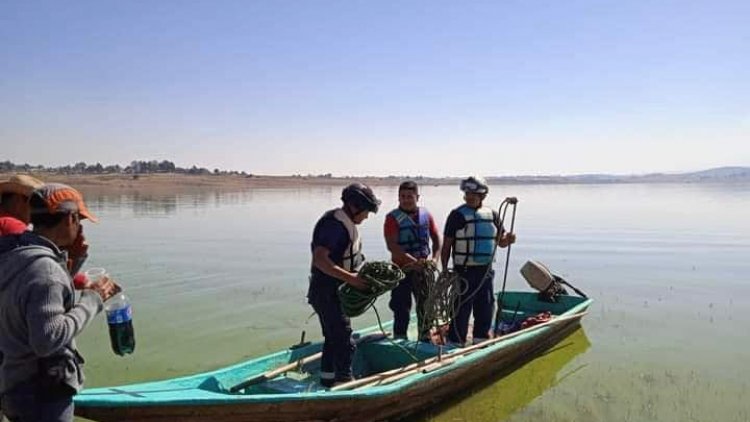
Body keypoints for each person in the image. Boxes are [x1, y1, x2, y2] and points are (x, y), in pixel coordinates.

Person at [0, 183, 117, 422]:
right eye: (79, 220)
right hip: (42, 393)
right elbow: (47, 338)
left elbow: (45, 293)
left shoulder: (17, 253)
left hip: (14, 385)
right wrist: (92, 301)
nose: (81, 227)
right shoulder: (46, 271)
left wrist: (75, 258)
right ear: (69, 219)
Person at [308, 183, 380, 388]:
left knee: (332, 338)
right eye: (366, 211)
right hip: (327, 291)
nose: (366, 217)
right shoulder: (335, 226)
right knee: (343, 340)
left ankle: (327, 382)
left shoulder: (345, 223)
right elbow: (321, 259)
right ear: (354, 206)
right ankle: (346, 383)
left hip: (334, 290)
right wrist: (353, 280)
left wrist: (356, 276)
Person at [440, 176, 516, 346]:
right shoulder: (456, 215)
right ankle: (455, 341)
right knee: (461, 307)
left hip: (486, 271)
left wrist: (509, 239)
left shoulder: (493, 215)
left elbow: (501, 242)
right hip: (464, 271)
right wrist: (445, 270)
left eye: (473, 193)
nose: (469, 196)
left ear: (482, 195)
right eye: (467, 193)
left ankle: (481, 339)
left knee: (486, 305)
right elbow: (446, 246)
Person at [383, 181, 441, 341]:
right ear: (398, 198)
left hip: (424, 271)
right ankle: (400, 338)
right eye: (402, 196)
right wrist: (412, 262)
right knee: (401, 307)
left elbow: (437, 239)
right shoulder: (392, 218)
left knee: (426, 306)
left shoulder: (426, 215)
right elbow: (392, 246)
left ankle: (425, 336)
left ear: (417, 197)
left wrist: (435, 259)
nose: (406, 200)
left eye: (410, 196)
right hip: (401, 271)